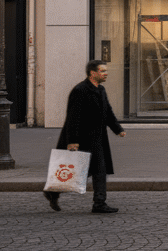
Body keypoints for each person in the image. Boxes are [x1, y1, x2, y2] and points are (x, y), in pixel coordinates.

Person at [45, 59, 125, 214]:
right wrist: (72, 141)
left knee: (99, 170)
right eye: (102, 71)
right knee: (76, 169)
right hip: (82, 138)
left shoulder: (100, 90)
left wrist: (117, 129)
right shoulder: (80, 90)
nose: (106, 73)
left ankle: (99, 203)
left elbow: (107, 112)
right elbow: (73, 118)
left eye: (105, 70)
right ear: (92, 73)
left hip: (98, 138)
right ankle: (52, 192)